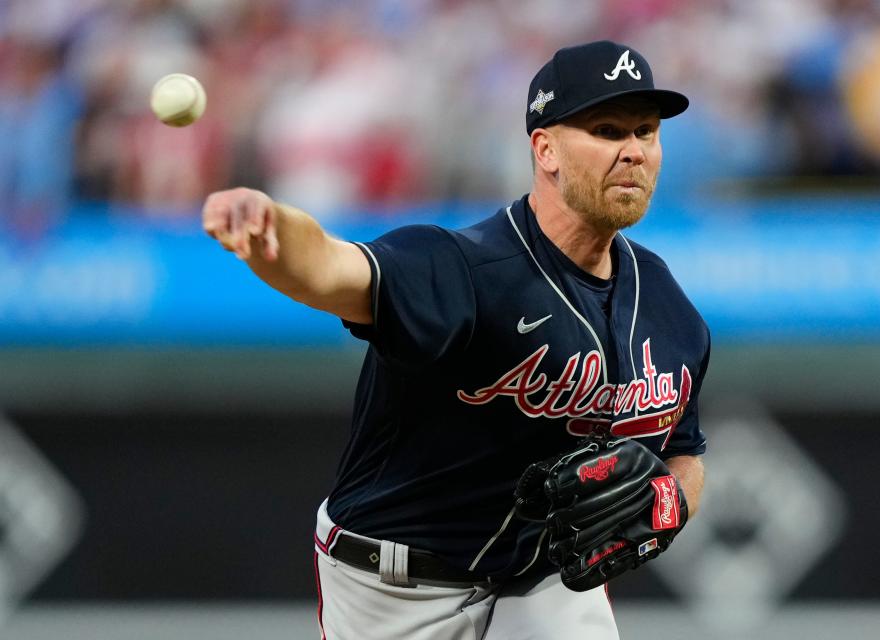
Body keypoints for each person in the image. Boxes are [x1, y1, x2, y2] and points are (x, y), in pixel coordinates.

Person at [203, 40, 709, 640]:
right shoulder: (462, 269)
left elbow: (685, 451)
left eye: (646, 132)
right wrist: (271, 225)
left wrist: (671, 497)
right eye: (605, 130)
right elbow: (333, 269)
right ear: (544, 149)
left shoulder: (665, 304)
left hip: (541, 578)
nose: (633, 151)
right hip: (396, 585)